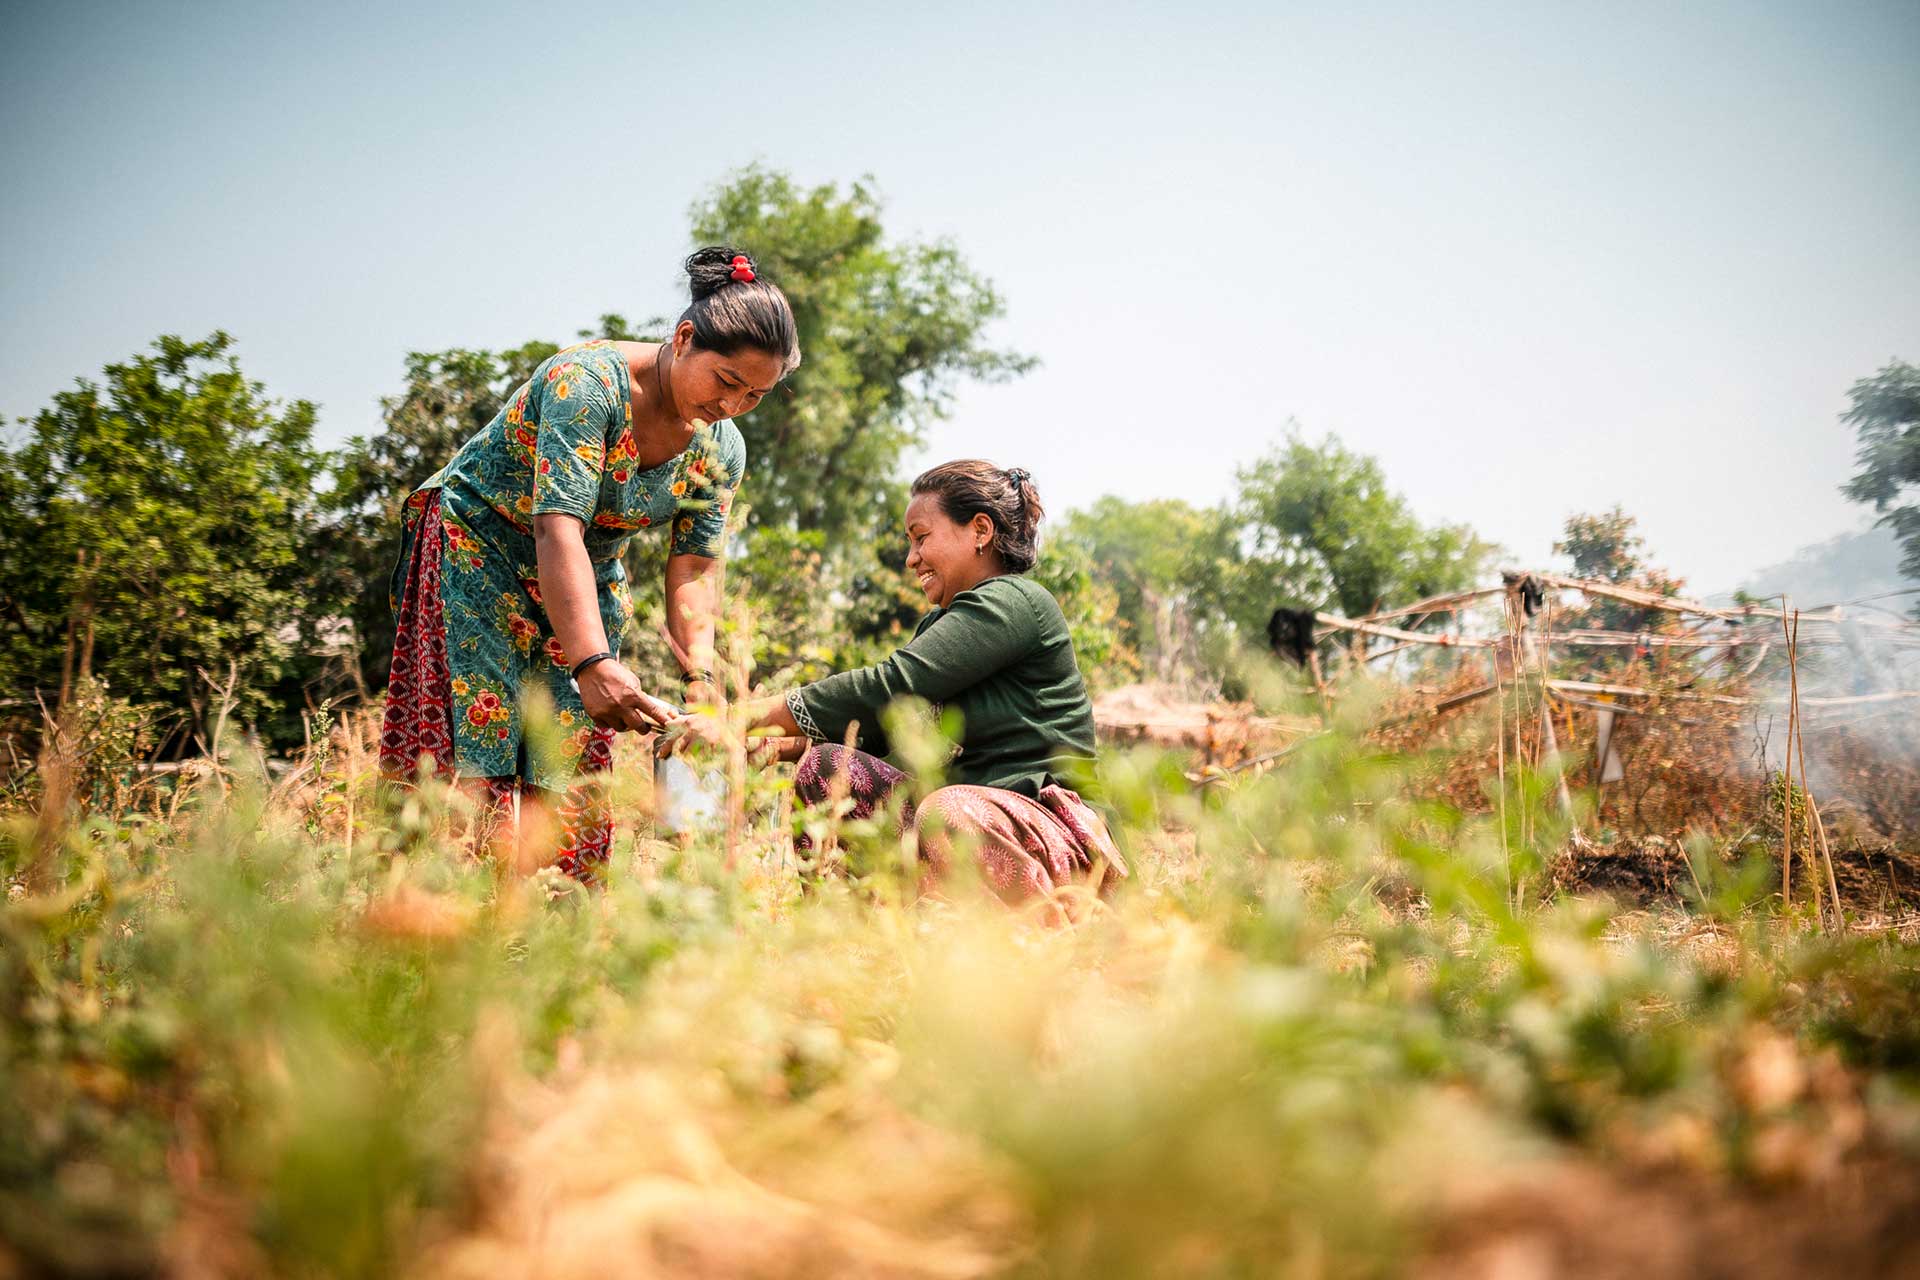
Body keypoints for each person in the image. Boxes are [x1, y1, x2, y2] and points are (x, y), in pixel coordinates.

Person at [379, 247, 799, 879]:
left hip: (585, 573)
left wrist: (701, 681)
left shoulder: (721, 448)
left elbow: (693, 571)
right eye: (727, 382)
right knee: (475, 748)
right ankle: (445, 931)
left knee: (571, 758)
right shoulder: (588, 386)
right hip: (478, 549)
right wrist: (594, 662)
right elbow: (557, 527)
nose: (735, 405)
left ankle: (556, 924)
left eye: (756, 395)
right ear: (684, 338)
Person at [664, 461, 1125, 903]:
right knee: (830, 768)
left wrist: (737, 718)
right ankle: (859, 942)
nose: (911, 558)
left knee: (950, 809)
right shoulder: (938, 627)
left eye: (921, 538)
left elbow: (894, 685)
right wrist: (774, 743)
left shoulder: (1016, 601)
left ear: (980, 531)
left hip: (1048, 834)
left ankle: (1041, 934)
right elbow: (886, 737)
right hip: (954, 826)